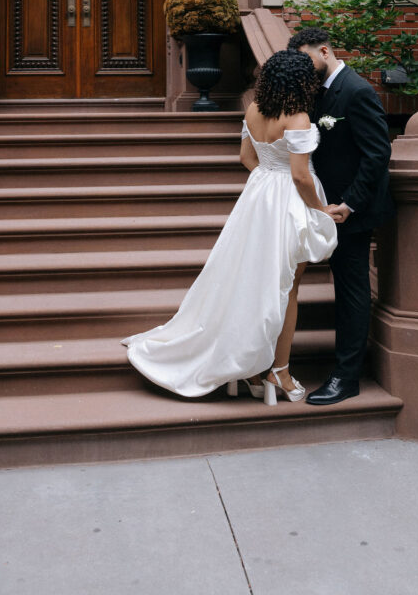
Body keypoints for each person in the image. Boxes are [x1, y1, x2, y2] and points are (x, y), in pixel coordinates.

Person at [123, 51, 338, 404]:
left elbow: (246, 158)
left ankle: (253, 368)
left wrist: (267, 186)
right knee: (287, 288)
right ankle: (278, 370)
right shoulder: (298, 117)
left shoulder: (254, 111)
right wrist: (322, 211)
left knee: (252, 283)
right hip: (289, 203)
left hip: (258, 198)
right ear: (301, 82)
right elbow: (300, 176)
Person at [288, 26, 394, 406]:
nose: (304, 66)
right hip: (321, 210)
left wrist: (349, 204)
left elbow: (377, 155)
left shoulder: (357, 90)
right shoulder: (318, 92)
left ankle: (346, 377)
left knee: (351, 292)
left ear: (325, 50)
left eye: (307, 58)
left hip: (350, 212)